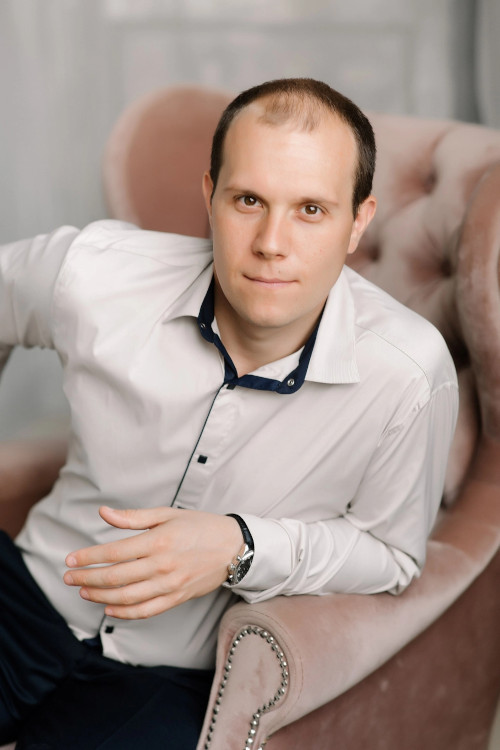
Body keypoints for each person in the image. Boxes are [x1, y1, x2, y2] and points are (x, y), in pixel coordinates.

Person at [0, 78, 458, 749]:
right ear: (210, 195)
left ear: (358, 222)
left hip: (177, 675)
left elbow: (390, 554)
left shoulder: (409, 374)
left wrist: (241, 546)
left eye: (310, 210)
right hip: (27, 595)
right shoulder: (96, 274)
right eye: (249, 200)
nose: (272, 242)